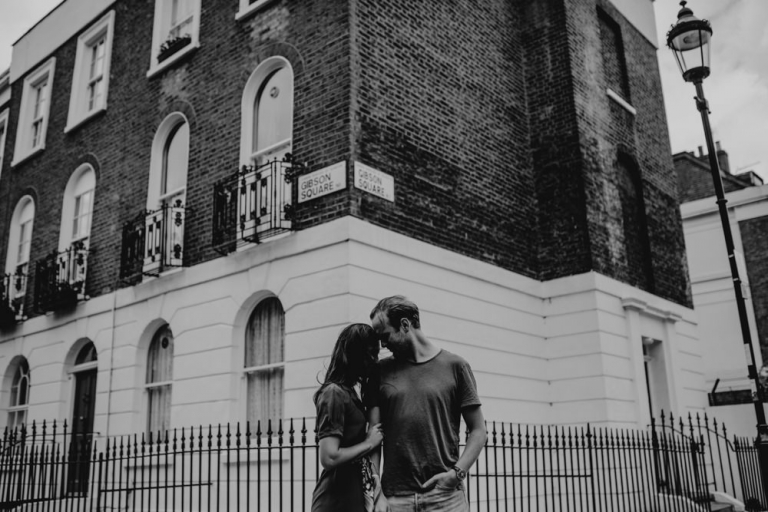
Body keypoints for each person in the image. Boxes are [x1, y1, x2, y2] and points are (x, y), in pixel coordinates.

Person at [368, 296, 486, 512]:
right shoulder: (380, 371)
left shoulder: (456, 366)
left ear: (405, 325)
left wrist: (457, 473)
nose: (383, 345)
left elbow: (478, 430)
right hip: (395, 500)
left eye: (385, 336)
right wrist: (376, 492)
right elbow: (373, 436)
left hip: (446, 498)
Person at [311, 323, 385, 512]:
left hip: (352, 493)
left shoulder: (349, 392)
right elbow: (329, 456)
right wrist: (369, 443)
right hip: (335, 498)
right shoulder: (333, 393)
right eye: (371, 354)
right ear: (354, 355)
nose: (375, 361)